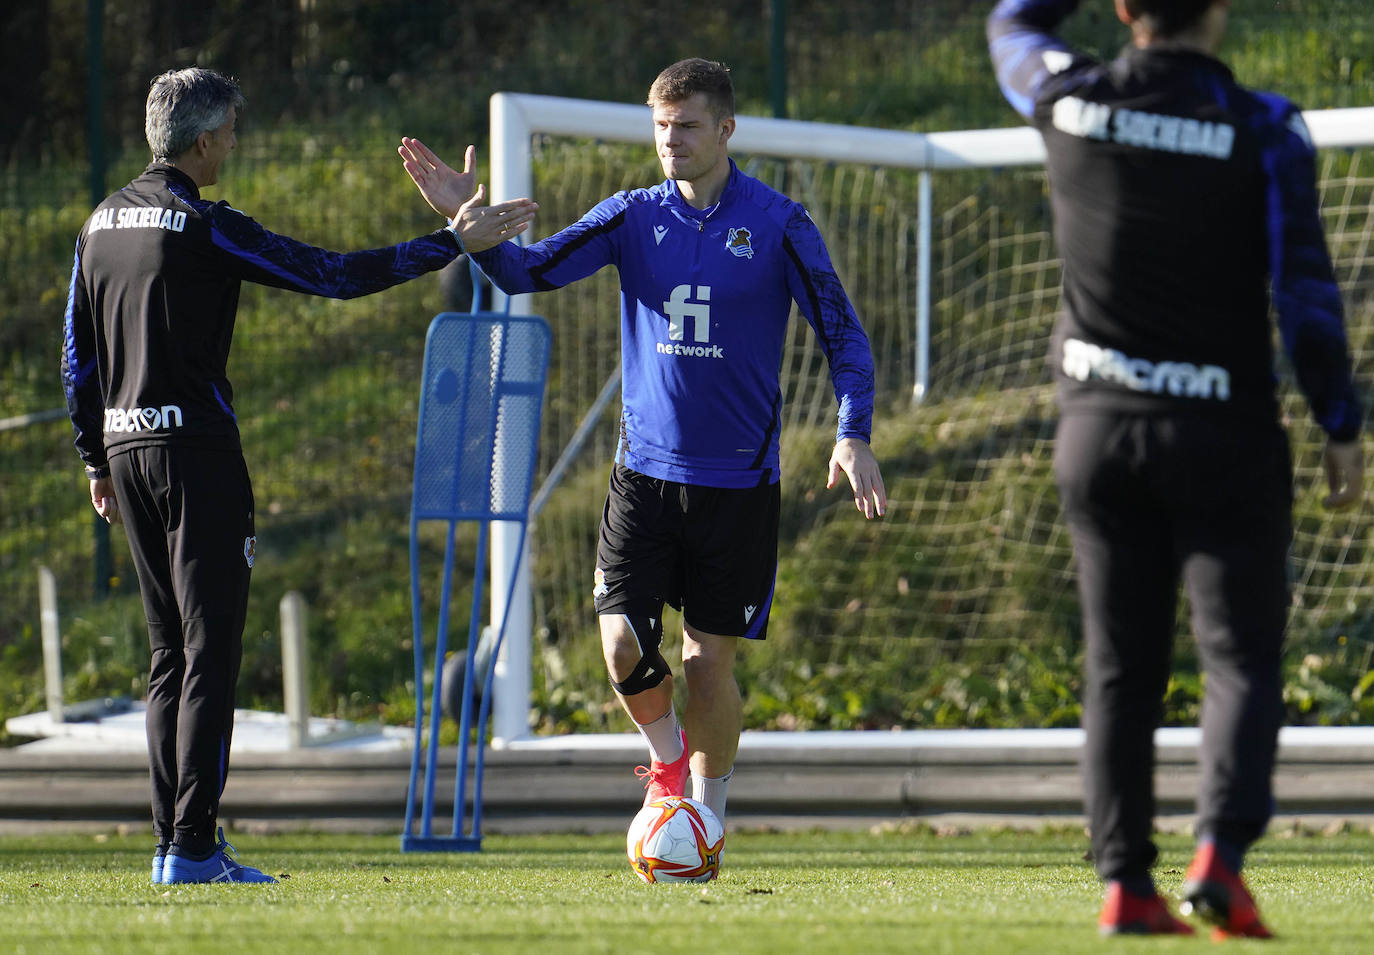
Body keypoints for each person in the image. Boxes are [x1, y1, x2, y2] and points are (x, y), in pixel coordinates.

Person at [61, 67, 536, 885]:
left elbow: (79, 356)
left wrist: (94, 457)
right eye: (232, 133)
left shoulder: (99, 223)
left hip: (126, 451)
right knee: (210, 651)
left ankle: (172, 843)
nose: (235, 145)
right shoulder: (202, 223)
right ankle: (197, 846)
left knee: (167, 655)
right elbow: (334, 275)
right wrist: (454, 240)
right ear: (206, 140)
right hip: (196, 457)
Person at [399, 57, 886, 832]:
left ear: (725, 129)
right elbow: (525, 274)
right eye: (661, 126)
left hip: (738, 483)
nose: (672, 140)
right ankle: (666, 769)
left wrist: (852, 432)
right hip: (643, 476)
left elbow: (844, 336)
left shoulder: (779, 223)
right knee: (622, 644)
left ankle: (708, 821)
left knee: (705, 666)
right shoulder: (632, 215)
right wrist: (470, 233)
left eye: (688, 126)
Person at [988, 0, 1364, 939]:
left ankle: (1124, 882)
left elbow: (1012, 24)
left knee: (1119, 666)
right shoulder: (1262, 127)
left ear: (1123, 8)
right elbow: (1306, 289)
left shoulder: (1067, 98)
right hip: (1222, 432)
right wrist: (1339, 421)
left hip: (1097, 430)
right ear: (1221, 10)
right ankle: (1220, 860)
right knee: (1238, 655)